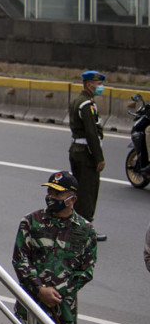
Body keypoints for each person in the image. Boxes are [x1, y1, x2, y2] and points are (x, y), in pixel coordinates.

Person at [11, 171, 97, 324]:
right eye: (50, 191)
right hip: (31, 304)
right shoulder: (31, 221)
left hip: (63, 310)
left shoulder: (85, 230)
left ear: (72, 199)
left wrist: (57, 292)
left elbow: (86, 271)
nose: (51, 197)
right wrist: (40, 289)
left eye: (58, 193)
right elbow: (20, 260)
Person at [68, 70, 107, 242]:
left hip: (76, 149)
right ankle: (85, 228)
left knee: (78, 190)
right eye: (97, 84)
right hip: (86, 153)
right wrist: (99, 157)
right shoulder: (86, 105)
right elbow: (92, 133)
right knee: (88, 192)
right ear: (88, 84)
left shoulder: (77, 100)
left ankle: (75, 225)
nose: (100, 87)